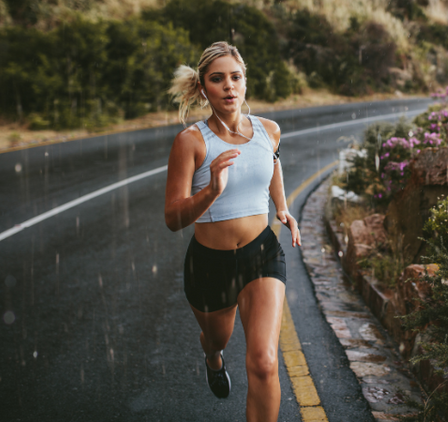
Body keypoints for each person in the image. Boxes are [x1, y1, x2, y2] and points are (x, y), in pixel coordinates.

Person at [164, 41, 300, 422]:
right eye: (217, 79)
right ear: (203, 87)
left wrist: (283, 207)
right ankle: (212, 356)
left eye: (235, 77)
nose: (228, 86)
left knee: (264, 361)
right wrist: (210, 192)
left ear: (245, 82)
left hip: (262, 254)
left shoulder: (268, 131)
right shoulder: (191, 142)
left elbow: (272, 165)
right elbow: (173, 218)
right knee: (217, 338)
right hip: (210, 265)